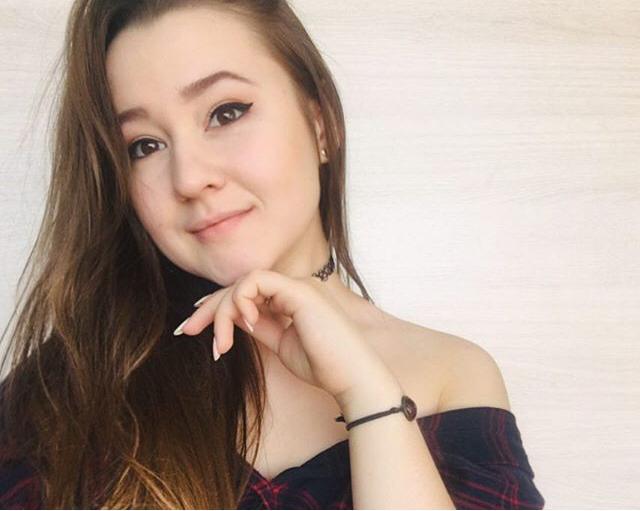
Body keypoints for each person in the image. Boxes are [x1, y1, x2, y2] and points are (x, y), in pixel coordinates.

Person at [0, 0, 546, 508]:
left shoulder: (451, 375)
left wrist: (368, 396)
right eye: (144, 146)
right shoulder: (63, 389)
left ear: (321, 123)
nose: (189, 178)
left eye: (226, 113)